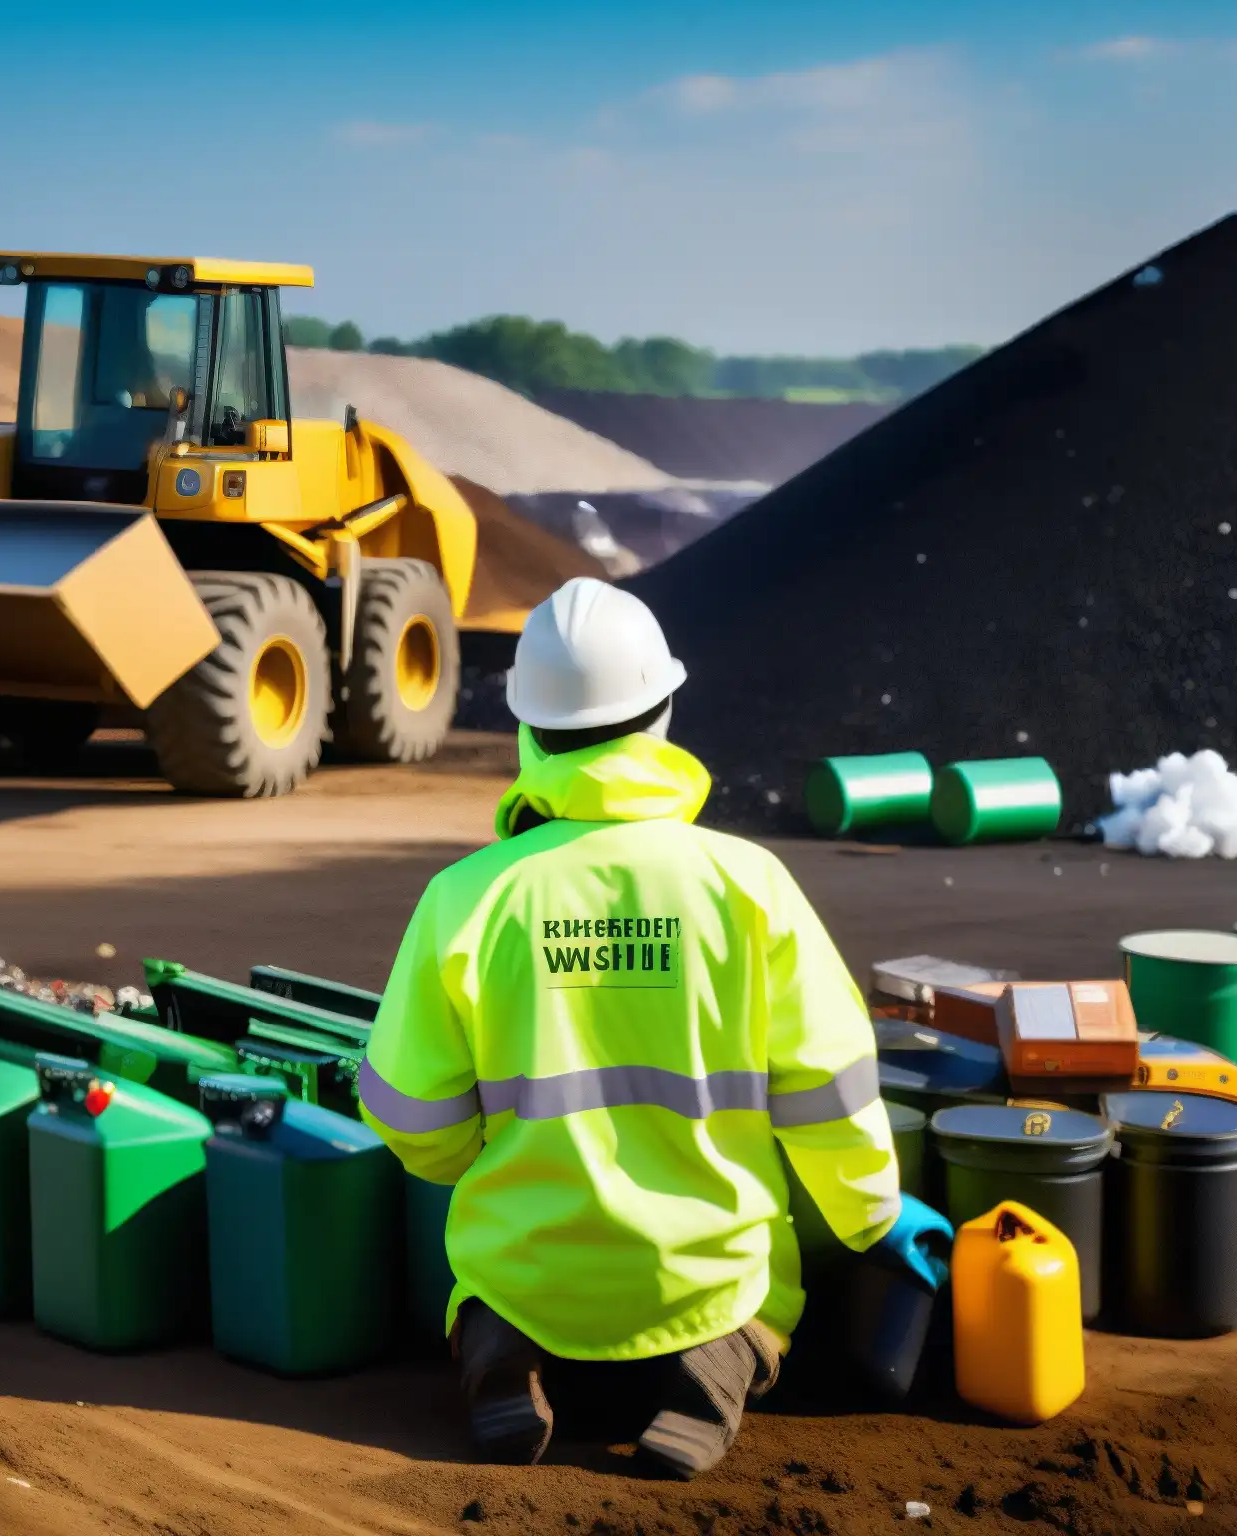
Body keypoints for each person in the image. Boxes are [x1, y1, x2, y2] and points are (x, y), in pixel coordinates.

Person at [359, 577, 949, 1478]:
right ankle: (712, 1378)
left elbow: (412, 1115)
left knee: (483, 1297)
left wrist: (472, 1161)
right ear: (663, 716)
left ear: (527, 731)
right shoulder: (748, 885)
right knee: (755, 1302)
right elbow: (831, 1090)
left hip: (531, 1274)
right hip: (706, 1280)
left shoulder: (466, 899)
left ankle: (502, 1367)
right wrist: (872, 1216)